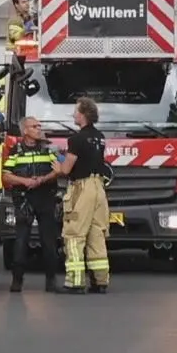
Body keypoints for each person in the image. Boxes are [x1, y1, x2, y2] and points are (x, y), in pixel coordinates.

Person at [52, 96, 111, 293]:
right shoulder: (100, 136)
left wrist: (57, 164)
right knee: (97, 234)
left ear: (84, 114)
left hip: (82, 188)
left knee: (74, 234)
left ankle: (75, 282)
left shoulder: (75, 139)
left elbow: (67, 169)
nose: (73, 114)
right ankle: (100, 281)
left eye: (76, 111)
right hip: (99, 188)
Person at [0, 116, 62, 293]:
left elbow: (58, 170)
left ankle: (51, 280)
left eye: (39, 126)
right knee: (21, 240)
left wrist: (43, 179)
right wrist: (25, 181)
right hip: (24, 199)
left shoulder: (48, 148)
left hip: (45, 197)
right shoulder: (16, 151)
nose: (38, 129)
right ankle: (17, 280)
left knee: (48, 241)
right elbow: (6, 175)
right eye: (34, 126)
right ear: (25, 131)